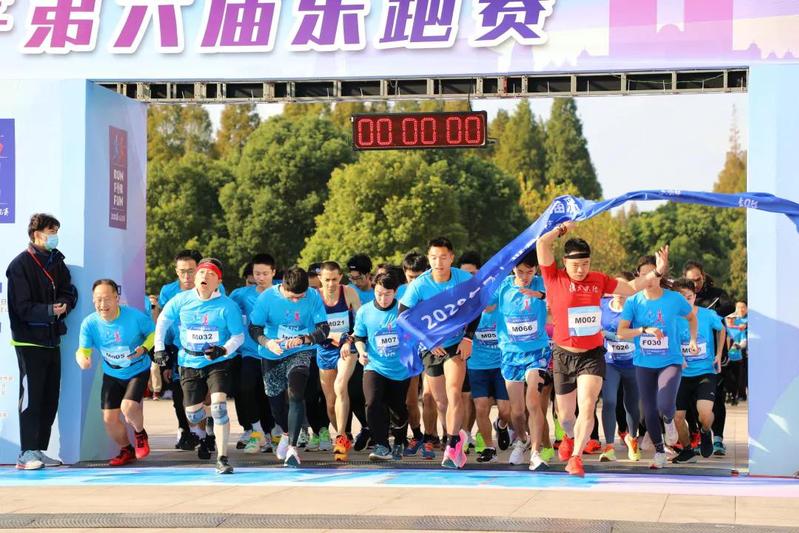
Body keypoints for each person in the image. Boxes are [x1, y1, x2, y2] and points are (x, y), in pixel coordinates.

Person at [536, 221, 669, 477]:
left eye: (585, 264)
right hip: (563, 355)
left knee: (587, 406)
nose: (581, 270)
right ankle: (568, 437)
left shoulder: (598, 280)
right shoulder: (554, 277)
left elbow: (631, 287)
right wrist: (561, 229)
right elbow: (542, 243)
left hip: (592, 355)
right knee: (565, 416)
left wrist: (657, 272)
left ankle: (576, 458)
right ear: (565, 262)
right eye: (576, 265)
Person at [154, 258, 244, 474]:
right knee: (193, 415)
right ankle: (212, 418)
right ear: (195, 278)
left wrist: (223, 350)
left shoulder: (227, 306)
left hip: (217, 361)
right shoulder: (181, 300)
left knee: (219, 407)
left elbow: (238, 336)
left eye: (211, 274)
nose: (205, 276)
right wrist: (159, 348)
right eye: (201, 273)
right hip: (189, 361)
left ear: (218, 282)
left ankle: (222, 458)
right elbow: (163, 321)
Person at [7, 213, 78, 470]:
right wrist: (49, 310)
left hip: (52, 340)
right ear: (37, 234)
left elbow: (69, 290)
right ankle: (26, 452)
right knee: (32, 399)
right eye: (51, 231)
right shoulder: (20, 265)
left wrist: (65, 304)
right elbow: (21, 306)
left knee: (49, 398)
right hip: (29, 342)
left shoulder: (56, 261)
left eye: (56, 231)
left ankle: (38, 449)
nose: (55, 236)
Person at [399, 237, 475, 469]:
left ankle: (451, 445)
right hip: (430, 346)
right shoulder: (420, 285)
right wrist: (427, 340)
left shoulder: (464, 279)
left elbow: (477, 307)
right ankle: (457, 436)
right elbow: (402, 317)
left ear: (451, 258)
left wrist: (468, 337)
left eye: (443, 257)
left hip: (455, 344)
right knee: (441, 402)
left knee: (454, 393)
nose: (438, 262)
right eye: (433, 258)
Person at [617, 255, 698, 469]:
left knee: (664, 404)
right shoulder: (634, 301)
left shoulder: (674, 299)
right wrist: (643, 330)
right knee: (649, 410)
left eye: (653, 273)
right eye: (644, 275)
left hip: (670, 361)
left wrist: (692, 340)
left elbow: (692, 317)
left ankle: (669, 420)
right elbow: (621, 332)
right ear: (638, 277)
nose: (649, 278)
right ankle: (660, 452)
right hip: (644, 363)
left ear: (661, 275)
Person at [249, 266, 329, 467]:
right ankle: (286, 432)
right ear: (283, 286)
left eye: (300, 297)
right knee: (276, 404)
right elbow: (254, 328)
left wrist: (305, 339)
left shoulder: (313, 296)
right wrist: (267, 342)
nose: (296, 301)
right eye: (292, 297)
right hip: (272, 353)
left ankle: (292, 448)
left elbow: (324, 329)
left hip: (300, 351)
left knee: (296, 394)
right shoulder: (267, 298)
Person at [76, 279, 153, 466]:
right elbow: (82, 350)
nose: (102, 304)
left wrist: (144, 348)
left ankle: (140, 434)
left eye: (107, 299)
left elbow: (153, 333)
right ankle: (127, 449)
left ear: (117, 298)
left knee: (128, 407)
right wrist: (83, 360)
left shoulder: (134, 317)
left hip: (137, 370)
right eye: (98, 299)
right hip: (112, 373)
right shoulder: (89, 323)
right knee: (109, 419)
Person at [490, 251, 552, 470]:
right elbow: (483, 305)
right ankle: (522, 439)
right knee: (516, 412)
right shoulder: (502, 286)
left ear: (536, 270)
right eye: (520, 272)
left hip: (537, 352)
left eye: (530, 272)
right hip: (510, 354)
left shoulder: (542, 283)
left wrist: (541, 296)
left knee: (533, 402)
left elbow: (559, 299)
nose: (525, 276)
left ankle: (536, 452)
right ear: (513, 269)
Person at [353, 272, 413, 461]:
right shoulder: (364, 311)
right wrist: (361, 351)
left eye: (388, 294)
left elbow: (415, 335)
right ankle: (382, 445)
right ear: (374, 290)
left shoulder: (404, 310)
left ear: (395, 292)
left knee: (398, 408)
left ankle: (400, 441)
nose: (383, 298)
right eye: (379, 293)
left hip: (400, 369)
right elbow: (359, 337)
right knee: (372, 403)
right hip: (374, 366)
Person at [671, 278, 726, 463]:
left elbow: (722, 329)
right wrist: (678, 357)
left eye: (689, 297)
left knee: (704, 413)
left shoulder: (708, 315)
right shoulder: (673, 319)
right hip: (682, 375)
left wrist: (718, 354)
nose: (686, 301)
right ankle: (687, 450)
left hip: (705, 372)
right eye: (681, 298)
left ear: (695, 296)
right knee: (678, 417)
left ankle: (705, 431)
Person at [683, 261, 735, 456]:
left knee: (717, 397)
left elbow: (730, 306)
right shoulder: (683, 297)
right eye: (691, 281)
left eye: (698, 279)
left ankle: (718, 438)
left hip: (714, 356)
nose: (695, 284)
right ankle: (699, 434)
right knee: (692, 401)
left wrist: (707, 315)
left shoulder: (716, 294)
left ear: (703, 277)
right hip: (689, 359)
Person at [229, 254, 277, 454]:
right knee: (246, 389)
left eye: (265, 273)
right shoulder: (241, 294)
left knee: (271, 395)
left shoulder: (282, 292)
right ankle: (256, 432)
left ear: (273, 272)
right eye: (257, 274)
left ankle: (274, 432)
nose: (261, 277)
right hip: (250, 353)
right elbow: (224, 307)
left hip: (275, 354)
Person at [316, 261, 361, 461]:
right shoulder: (314, 297)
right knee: (330, 404)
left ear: (340, 277)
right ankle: (344, 434)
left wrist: (348, 339)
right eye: (327, 280)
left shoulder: (349, 293)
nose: (331, 284)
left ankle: (340, 438)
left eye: (335, 279)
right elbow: (313, 328)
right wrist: (334, 336)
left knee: (340, 386)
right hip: (325, 349)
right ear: (320, 279)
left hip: (347, 347)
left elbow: (360, 322)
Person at [598, 272, 641, 462]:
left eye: (624, 289)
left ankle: (633, 438)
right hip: (610, 363)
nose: (619, 293)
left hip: (633, 364)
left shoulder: (636, 309)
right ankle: (609, 446)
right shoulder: (602, 305)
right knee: (609, 401)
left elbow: (641, 333)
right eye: (616, 288)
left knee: (632, 405)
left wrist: (613, 336)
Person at [398, 252, 437, 458]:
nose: (414, 281)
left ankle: (430, 438)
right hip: (410, 348)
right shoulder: (400, 292)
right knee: (410, 400)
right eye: (410, 277)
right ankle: (417, 435)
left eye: (418, 276)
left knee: (430, 397)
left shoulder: (433, 288)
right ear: (404, 273)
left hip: (432, 347)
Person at [466, 303, 511, 464]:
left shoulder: (504, 309)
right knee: (481, 407)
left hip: (501, 365)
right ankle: (489, 448)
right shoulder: (471, 312)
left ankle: (501, 425)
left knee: (505, 411)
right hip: (477, 366)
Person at [726, 301, 748, 404]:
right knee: (729, 376)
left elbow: (744, 340)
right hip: (727, 356)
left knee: (740, 376)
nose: (731, 320)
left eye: (743, 307)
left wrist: (739, 346)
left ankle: (739, 395)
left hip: (741, 354)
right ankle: (730, 394)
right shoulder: (727, 326)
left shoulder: (745, 323)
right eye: (738, 307)